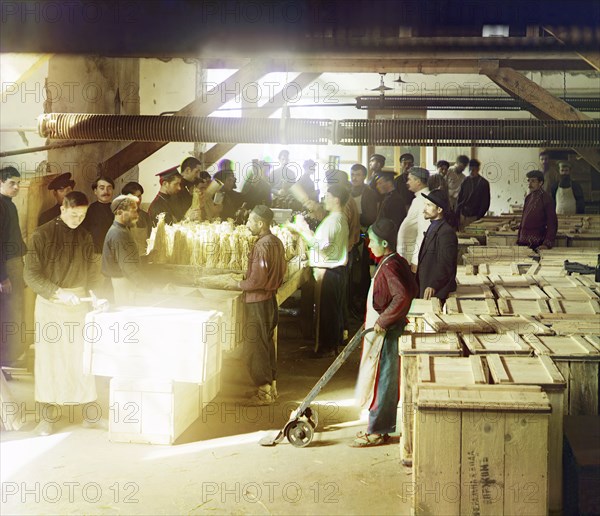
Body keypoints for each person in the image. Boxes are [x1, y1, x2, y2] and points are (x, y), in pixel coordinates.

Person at [24, 191, 104, 435]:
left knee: (82, 360)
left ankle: (90, 415)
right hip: (51, 305)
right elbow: (31, 275)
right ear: (62, 209)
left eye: (82, 215)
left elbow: (92, 272)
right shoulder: (42, 235)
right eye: (73, 214)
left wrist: (96, 295)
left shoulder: (84, 236)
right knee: (50, 363)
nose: (77, 219)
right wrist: (58, 292)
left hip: (78, 305)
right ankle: (47, 418)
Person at [352, 218, 418, 447]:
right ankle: (381, 426)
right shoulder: (395, 261)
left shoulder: (390, 266)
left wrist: (384, 319)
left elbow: (403, 296)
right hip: (387, 327)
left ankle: (378, 430)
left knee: (384, 380)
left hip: (387, 332)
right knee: (385, 379)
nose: (369, 245)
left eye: (372, 242)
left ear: (384, 243)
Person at [229, 206, 286, 405]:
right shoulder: (276, 242)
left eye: (250, 221)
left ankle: (263, 392)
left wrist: (237, 284)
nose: (247, 224)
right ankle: (272, 387)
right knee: (266, 342)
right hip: (270, 300)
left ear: (261, 223)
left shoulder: (261, 246)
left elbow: (257, 281)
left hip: (257, 302)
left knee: (255, 346)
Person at [288, 185, 349, 358]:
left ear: (336, 199)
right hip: (335, 271)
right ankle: (331, 344)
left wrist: (302, 230)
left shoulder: (333, 221)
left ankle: (326, 348)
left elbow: (320, 247)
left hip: (328, 271)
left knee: (326, 313)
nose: (324, 199)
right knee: (331, 311)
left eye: (327, 196)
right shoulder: (338, 218)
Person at [102, 194, 152, 306]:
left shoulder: (123, 230)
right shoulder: (118, 233)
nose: (137, 215)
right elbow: (128, 267)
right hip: (122, 282)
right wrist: (147, 286)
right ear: (119, 212)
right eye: (133, 211)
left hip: (125, 281)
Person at [0, 166, 27, 368]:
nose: (16, 187)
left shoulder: (9, 204)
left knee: (15, 309)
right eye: (11, 183)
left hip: (16, 264)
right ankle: (6, 359)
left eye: (18, 183)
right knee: (8, 311)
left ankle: (11, 357)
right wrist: (2, 277)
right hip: (7, 266)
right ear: (1, 182)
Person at [417, 189, 458, 303]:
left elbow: (446, 264)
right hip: (427, 284)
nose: (424, 209)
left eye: (429, 205)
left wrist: (433, 285)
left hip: (437, 291)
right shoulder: (433, 226)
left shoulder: (446, 233)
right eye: (425, 204)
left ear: (439, 209)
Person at [396, 167, 430, 272]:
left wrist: (416, 260)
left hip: (416, 259)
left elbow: (424, 233)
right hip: (408, 255)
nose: (407, 182)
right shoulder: (418, 199)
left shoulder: (425, 200)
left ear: (418, 181)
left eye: (410, 179)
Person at [517, 170, 558, 250]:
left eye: (533, 181)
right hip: (523, 242)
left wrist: (547, 244)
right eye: (528, 181)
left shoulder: (547, 199)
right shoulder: (528, 198)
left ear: (540, 183)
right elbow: (523, 220)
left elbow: (552, 223)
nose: (529, 184)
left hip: (537, 244)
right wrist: (519, 238)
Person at [81, 176, 114, 253]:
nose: (106, 191)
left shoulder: (118, 209)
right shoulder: (90, 210)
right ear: (95, 191)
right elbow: (83, 234)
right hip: (97, 254)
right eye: (102, 188)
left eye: (109, 188)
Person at [456, 158, 491, 230]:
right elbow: (460, 197)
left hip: (475, 216)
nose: (471, 172)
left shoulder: (483, 183)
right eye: (470, 169)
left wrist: (479, 216)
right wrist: (458, 212)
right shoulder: (465, 181)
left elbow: (485, 202)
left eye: (473, 170)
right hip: (463, 215)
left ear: (478, 169)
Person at [121, 181, 152, 257]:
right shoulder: (120, 216)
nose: (137, 200)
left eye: (139, 196)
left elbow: (150, 238)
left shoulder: (145, 216)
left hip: (143, 259)